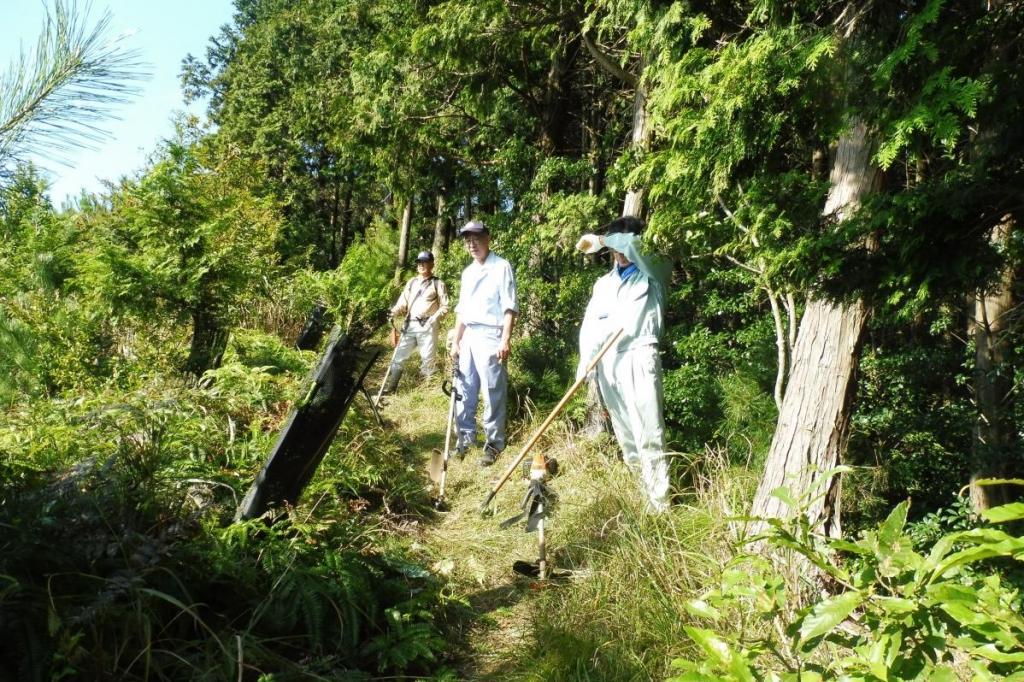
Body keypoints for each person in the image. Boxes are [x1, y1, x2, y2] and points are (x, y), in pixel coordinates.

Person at [576, 216, 671, 513]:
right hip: (608, 364)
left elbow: (634, 245)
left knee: (649, 435)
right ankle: (642, 498)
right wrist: (585, 364)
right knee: (627, 437)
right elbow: (590, 327)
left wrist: (602, 239)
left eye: (622, 240)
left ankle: (660, 506)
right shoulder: (603, 284)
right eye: (613, 241)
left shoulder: (653, 272)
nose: (619, 248)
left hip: (639, 356)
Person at [450, 219, 518, 466]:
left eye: (476, 239)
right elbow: (462, 311)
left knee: (492, 392)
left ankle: (494, 443)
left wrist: (505, 339)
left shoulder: (501, 266)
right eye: (468, 240)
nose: (472, 244)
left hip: (491, 334)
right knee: (464, 390)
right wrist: (456, 341)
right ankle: (465, 438)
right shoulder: (467, 273)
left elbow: (510, 306)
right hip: (468, 335)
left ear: (488, 239)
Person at [385, 250, 449, 392]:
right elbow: (402, 303)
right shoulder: (411, 282)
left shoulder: (438, 284)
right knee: (398, 356)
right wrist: (393, 312)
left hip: (428, 326)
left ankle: (426, 391)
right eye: (419, 262)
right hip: (409, 325)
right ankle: (390, 388)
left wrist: (434, 319)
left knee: (428, 360)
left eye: (425, 262)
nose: (421, 265)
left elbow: (445, 307)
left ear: (432, 264)